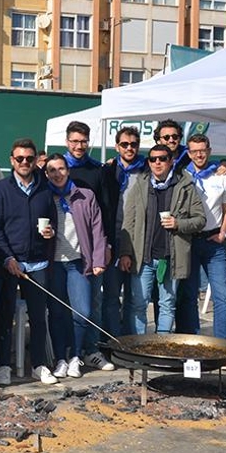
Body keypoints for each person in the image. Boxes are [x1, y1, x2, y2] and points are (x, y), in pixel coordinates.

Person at [0, 138, 58, 385]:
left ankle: (38, 365)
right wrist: (7, 258)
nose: (25, 162)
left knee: (39, 316)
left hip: (37, 263)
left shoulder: (45, 189)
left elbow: (53, 222)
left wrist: (50, 233)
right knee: (5, 315)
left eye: (29, 158)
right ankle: (4, 364)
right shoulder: (0, 189)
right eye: (20, 158)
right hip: (8, 263)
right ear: (12, 160)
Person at [116, 144, 205, 335]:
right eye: (153, 159)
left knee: (167, 305)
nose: (158, 162)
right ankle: (138, 348)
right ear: (148, 162)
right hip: (143, 258)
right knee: (138, 304)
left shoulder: (185, 185)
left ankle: (161, 347)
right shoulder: (140, 185)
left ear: (171, 160)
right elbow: (128, 222)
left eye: (163, 158)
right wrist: (125, 252)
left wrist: (178, 223)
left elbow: (200, 220)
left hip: (171, 257)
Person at [43, 156, 110, 378]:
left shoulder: (85, 195)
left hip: (78, 262)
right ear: (46, 174)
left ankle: (75, 356)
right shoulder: (43, 196)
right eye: (52, 170)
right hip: (53, 263)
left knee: (83, 312)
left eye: (61, 168)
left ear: (68, 170)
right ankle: (61, 358)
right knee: (57, 312)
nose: (57, 173)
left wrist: (99, 260)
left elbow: (97, 230)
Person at [62, 120, 116, 367]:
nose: (79, 146)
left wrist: (106, 246)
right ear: (67, 142)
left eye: (83, 141)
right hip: (62, 248)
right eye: (74, 141)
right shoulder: (56, 169)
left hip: (94, 245)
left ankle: (91, 349)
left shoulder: (99, 170)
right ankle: (68, 351)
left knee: (93, 300)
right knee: (65, 304)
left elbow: (106, 210)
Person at [175, 134, 226, 340]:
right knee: (189, 296)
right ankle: (194, 343)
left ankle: (221, 345)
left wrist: (223, 233)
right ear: (189, 153)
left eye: (203, 150)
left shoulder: (221, 177)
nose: (199, 154)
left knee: (221, 297)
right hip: (189, 241)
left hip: (213, 242)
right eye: (194, 151)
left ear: (209, 151)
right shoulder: (181, 176)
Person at [105, 126, 147, 340]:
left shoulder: (147, 170)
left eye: (133, 144)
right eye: (125, 144)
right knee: (112, 297)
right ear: (117, 146)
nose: (129, 148)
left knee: (136, 298)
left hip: (139, 242)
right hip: (113, 240)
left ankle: (132, 342)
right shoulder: (108, 170)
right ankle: (114, 342)